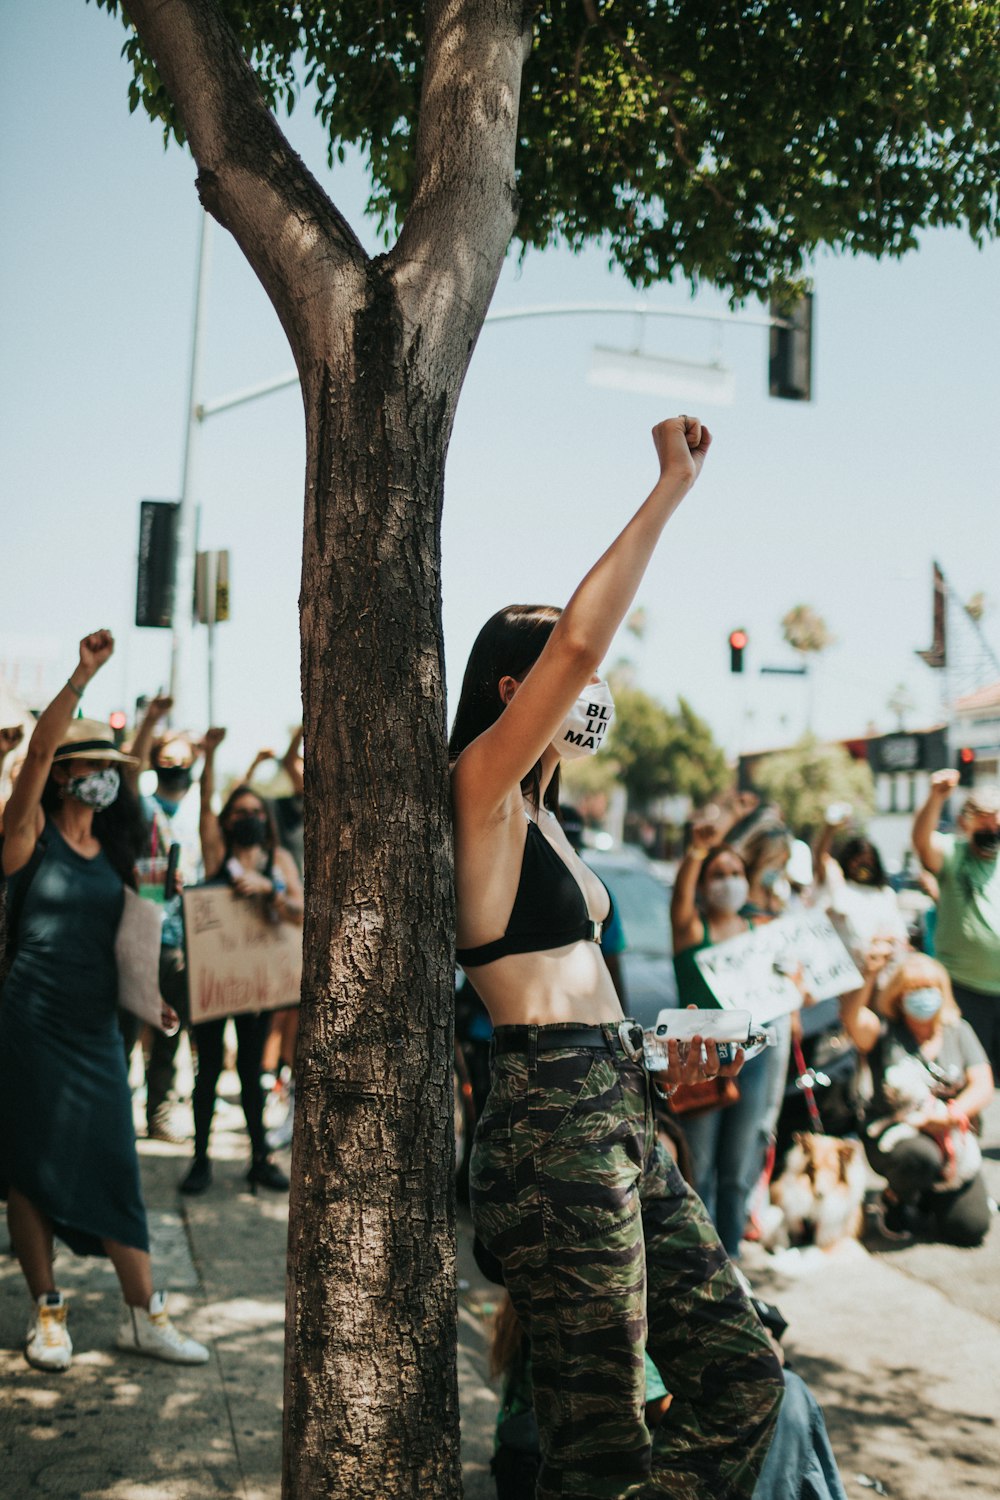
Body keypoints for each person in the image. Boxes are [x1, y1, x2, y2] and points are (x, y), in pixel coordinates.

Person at [453, 415, 782, 1500]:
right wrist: (668, 490)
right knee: (598, 1445)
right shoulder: (482, 794)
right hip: (548, 1124)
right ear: (516, 689)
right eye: (554, 671)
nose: (584, 688)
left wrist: (653, 1069)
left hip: (611, 1103)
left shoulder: (549, 817)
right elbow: (585, 646)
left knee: (740, 1375)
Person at [0, 631, 208, 1371]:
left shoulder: (112, 855)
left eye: (112, 770)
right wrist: (81, 678)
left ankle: (143, 1317)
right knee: (32, 1166)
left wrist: (153, 1004)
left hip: (96, 1030)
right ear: (63, 776)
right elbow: (35, 752)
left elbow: (121, 947)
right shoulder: (24, 836)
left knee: (117, 1165)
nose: (105, 780)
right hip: (30, 1024)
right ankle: (48, 1312)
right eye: (92, 768)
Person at [179, 728, 303, 1196]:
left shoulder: (278, 860)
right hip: (215, 981)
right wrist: (210, 759)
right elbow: (207, 801)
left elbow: (300, 909)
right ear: (228, 820)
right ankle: (200, 1160)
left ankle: (258, 1159)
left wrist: (269, 889)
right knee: (207, 1071)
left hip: (257, 986)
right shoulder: (217, 854)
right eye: (240, 812)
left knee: (251, 1072)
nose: (248, 817)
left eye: (255, 811)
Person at [670, 827, 780, 1258]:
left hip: (751, 1059)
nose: (728, 881)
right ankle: (699, 1262)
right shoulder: (691, 930)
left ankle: (730, 1260)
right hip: (701, 1062)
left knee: (737, 1169)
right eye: (718, 873)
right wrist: (696, 850)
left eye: (735, 872)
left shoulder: (759, 929)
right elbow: (679, 900)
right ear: (702, 884)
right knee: (699, 1168)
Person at [840, 948, 993, 1246]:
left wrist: (951, 1114)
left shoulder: (958, 1030)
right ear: (898, 995)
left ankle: (926, 1196)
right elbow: (853, 1019)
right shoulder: (886, 1031)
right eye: (913, 990)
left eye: (929, 989)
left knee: (970, 1227)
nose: (922, 996)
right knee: (920, 1157)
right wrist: (868, 975)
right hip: (897, 1135)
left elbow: (983, 1084)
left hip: (950, 1138)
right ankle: (895, 1197)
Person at [122, 693, 206, 1142]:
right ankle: (116, 1112)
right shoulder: (145, 806)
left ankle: (159, 1115)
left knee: (170, 1030)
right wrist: (151, 721)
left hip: (181, 939)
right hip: (142, 933)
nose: (177, 766)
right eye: (167, 759)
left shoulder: (197, 812)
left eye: (184, 759)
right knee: (128, 1026)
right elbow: (130, 773)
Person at [912, 770, 1000, 1078]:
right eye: (984, 822)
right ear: (967, 822)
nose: (992, 829)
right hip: (962, 988)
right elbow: (922, 843)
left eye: (997, 822)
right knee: (964, 1073)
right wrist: (936, 797)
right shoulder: (954, 853)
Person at [813, 809, 908, 968]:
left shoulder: (885, 894)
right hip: (845, 971)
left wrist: (881, 941)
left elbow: (900, 936)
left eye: (868, 861)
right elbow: (820, 857)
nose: (863, 866)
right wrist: (830, 828)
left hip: (879, 970)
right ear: (847, 861)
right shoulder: (837, 886)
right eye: (857, 861)